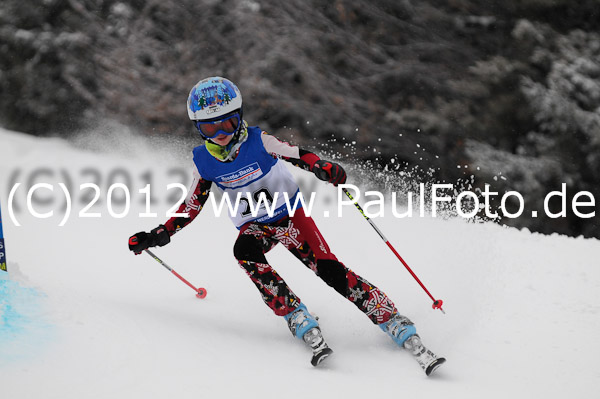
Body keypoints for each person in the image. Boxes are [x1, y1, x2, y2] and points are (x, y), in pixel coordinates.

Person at [128, 77, 445, 374]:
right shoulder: (204, 162)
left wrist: (322, 167)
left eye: (229, 122)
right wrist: (159, 234)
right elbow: (191, 205)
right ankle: (294, 312)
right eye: (211, 127)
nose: (222, 132)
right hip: (256, 226)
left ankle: (390, 317)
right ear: (199, 129)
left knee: (329, 269)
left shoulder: (258, 141)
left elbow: (298, 155)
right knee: (244, 250)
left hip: (289, 215)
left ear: (240, 117)